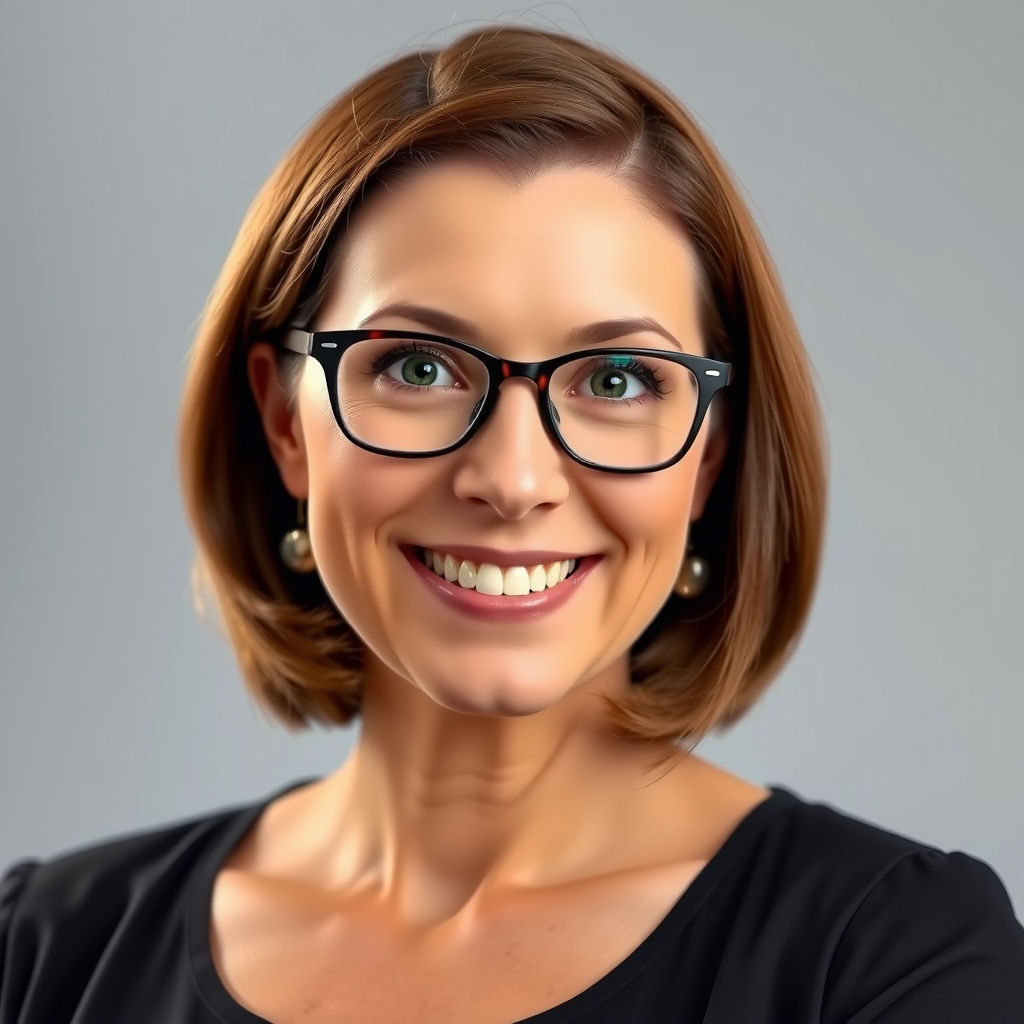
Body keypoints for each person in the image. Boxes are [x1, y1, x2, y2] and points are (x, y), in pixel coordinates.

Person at [1, 24, 1021, 1024]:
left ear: (708, 453)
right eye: (417, 367)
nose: (512, 478)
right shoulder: (39, 953)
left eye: (616, 379)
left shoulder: (892, 963)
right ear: (286, 423)